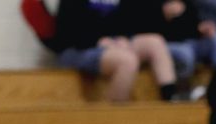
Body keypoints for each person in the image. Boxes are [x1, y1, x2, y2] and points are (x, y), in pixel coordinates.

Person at [53, 0, 181, 102]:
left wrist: (123, 38)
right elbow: (67, 30)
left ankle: (170, 97)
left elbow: (132, 18)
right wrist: (98, 41)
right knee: (128, 61)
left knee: (155, 42)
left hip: (113, 42)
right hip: (78, 48)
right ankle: (113, 117)